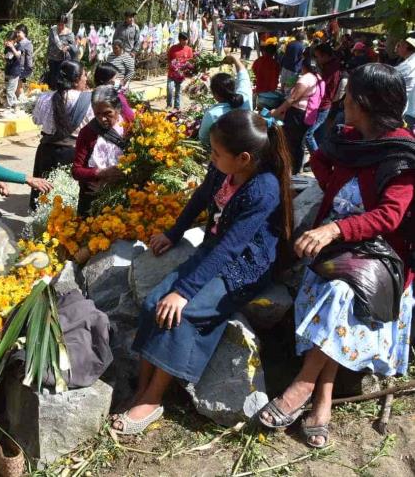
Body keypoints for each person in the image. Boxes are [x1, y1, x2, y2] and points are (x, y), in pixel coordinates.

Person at [259, 64, 415, 449]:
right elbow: (322, 163)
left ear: (361, 102)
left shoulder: (402, 156)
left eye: (348, 95)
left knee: (342, 295)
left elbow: (389, 216)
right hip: (340, 248)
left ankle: (303, 385)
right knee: (339, 292)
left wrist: (335, 227)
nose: (342, 100)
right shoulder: (350, 138)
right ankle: (323, 399)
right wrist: (335, 178)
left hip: (382, 256)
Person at [111, 109, 292, 434]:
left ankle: (153, 399)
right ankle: (142, 386)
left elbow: (233, 248)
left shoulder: (263, 190)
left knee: (182, 313)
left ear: (244, 158)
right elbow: (201, 197)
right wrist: (174, 232)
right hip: (213, 251)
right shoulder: (225, 169)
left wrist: (184, 292)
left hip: (243, 268)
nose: (211, 157)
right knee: (154, 302)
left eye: (217, 153)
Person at [30, 60, 92, 209]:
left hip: (46, 152)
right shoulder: (88, 100)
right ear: (76, 79)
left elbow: (36, 120)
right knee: (68, 197)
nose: (86, 78)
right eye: (84, 75)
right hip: (73, 153)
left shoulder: (44, 97)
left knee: (44, 191)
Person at [72, 86, 127, 216]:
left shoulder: (129, 128)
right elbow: (76, 171)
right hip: (93, 200)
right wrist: (101, 173)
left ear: (118, 109)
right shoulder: (87, 133)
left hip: (123, 199)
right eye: (97, 114)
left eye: (108, 113)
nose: (102, 119)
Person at [271, 57, 323, 174]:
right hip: (308, 114)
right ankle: (296, 169)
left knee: (290, 142)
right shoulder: (318, 77)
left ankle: (289, 169)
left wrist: (277, 112)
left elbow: (292, 98)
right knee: (299, 143)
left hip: (298, 114)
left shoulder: (305, 79)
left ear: (304, 67)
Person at [198, 54, 253, 146]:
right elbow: (243, 75)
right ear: (234, 87)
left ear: (215, 95)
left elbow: (203, 139)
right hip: (247, 147)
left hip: (226, 156)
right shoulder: (245, 97)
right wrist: (235, 58)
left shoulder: (212, 114)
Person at [309, 43, 342, 151]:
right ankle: (322, 154)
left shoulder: (331, 68)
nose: (317, 59)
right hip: (324, 103)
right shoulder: (330, 65)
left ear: (325, 55)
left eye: (318, 57)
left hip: (323, 103)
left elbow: (323, 85)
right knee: (320, 135)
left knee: (308, 134)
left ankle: (316, 158)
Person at [47, 15, 77, 89]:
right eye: (59, 24)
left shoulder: (69, 33)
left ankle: (60, 95)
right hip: (52, 58)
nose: (60, 26)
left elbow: (73, 47)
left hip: (62, 59)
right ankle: (52, 94)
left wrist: (67, 47)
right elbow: (49, 44)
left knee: (60, 78)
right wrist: (47, 56)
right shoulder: (53, 30)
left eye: (62, 24)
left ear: (65, 24)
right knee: (52, 78)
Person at [166, 33, 194, 110]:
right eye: (183, 40)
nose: (185, 41)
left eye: (186, 39)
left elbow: (191, 62)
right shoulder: (173, 48)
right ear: (179, 40)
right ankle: (169, 105)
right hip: (172, 73)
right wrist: (171, 65)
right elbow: (168, 59)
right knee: (170, 89)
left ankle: (176, 107)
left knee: (178, 91)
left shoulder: (189, 49)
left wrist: (186, 70)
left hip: (181, 75)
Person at [395, 34, 415, 129]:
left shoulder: (409, 65)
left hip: (407, 114)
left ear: (406, 45)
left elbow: (388, 77)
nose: (396, 48)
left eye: (399, 45)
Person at [3, 30, 23, 110]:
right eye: (8, 39)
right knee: (8, 89)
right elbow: (8, 58)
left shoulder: (19, 46)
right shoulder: (7, 47)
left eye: (10, 39)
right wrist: (3, 56)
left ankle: (12, 105)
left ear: (15, 39)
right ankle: (12, 105)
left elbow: (18, 55)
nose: (9, 41)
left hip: (14, 72)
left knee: (10, 90)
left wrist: (12, 47)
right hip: (8, 70)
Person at [16, 24, 34, 98]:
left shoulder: (27, 43)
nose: (17, 34)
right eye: (16, 32)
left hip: (22, 68)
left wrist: (29, 68)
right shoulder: (19, 42)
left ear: (24, 33)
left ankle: (21, 100)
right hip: (18, 67)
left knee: (19, 85)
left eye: (19, 32)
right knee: (17, 85)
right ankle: (19, 99)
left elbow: (29, 57)